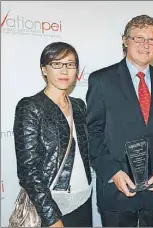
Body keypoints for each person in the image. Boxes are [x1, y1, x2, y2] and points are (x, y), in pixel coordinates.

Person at [86, 14, 153, 227]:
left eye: (151, 40)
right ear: (125, 40)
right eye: (138, 38)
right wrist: (112, 172)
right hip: (117, 189)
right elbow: (92, 133)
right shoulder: (101, 80)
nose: (145, 45)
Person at [13, 42, 93, 227]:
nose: (64, 70)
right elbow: (28, 172)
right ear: (44, 69)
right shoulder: (30, 107)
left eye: (70, 64)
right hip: (52, 205)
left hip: (84, 199)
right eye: (57, 64)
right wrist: (51, 217)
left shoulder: (79, 105)